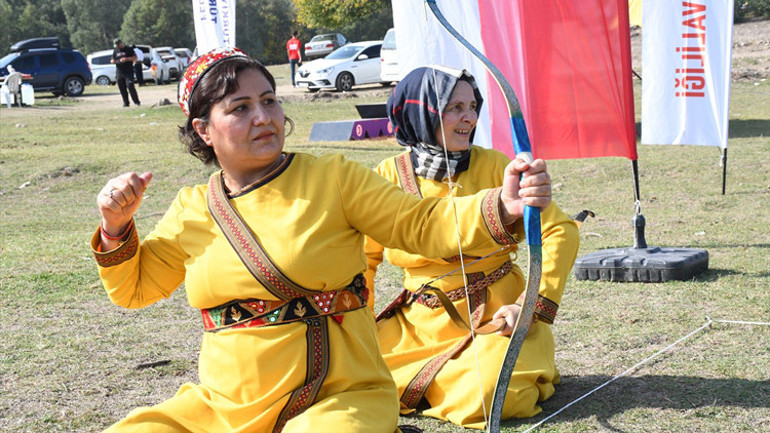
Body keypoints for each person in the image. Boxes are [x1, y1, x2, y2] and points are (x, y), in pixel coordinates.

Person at [90, 48, 553, 432]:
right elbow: (136, 289)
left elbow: (422, 222)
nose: (263, 117)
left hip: (338, 396)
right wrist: (115, 227)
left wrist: (504, 204)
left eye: (269, 101)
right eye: (240, 108)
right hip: (226, 405)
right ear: (203, 131)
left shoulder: (334, 178)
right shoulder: (192, 207)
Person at [364, 66, 580, 429]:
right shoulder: (386, 176)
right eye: (454, 107)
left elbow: (560, 230)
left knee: (490, 389)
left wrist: (527, 307)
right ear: (422, 112)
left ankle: (452, 384)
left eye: (472, 105)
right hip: (419, 323)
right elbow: (361, 262)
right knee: (359, 378)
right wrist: (359, 328)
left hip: (497, 316)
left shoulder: (496, 165)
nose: (469, 117)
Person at [111, 39, 140, 107]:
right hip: (119, 72)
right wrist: (113, 61)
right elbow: (113, 59)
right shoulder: (115, 51)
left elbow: (135, 57)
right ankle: (126, 103)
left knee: (130, 86)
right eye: (116, 46)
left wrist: (127, 59)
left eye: (118, 45)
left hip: (128, 71)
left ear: (121, 43)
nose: (117, 47)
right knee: (122, 88)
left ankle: (136, 102)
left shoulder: (129, 49)